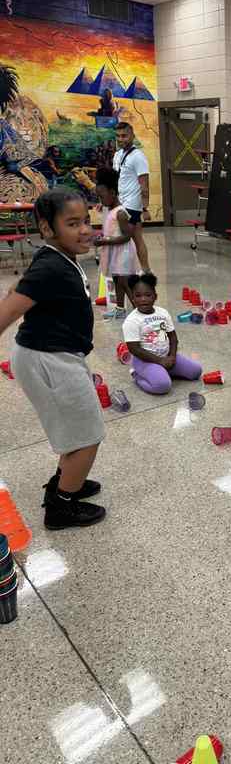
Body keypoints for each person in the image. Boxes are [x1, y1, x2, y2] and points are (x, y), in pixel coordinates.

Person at [0, 188, 106, 529]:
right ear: (47, 229)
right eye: (73, 223)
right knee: (88, 435)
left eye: (86, 221)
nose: (85, 230)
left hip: (56, 356)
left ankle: (66, 479)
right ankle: (61, 506)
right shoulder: (51, 266)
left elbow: (21, 287)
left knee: (73, 429)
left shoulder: (57, 258)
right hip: (49, 360)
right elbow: (8, 310)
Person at [123, 273, 202, 395]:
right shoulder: (131, 320)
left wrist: (172, 357)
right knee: (163, 386)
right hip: (145, 361)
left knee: (196, 371)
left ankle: (163, 371)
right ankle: (138, 376)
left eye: (148, 295)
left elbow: (173, 338)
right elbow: (134, 349)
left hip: (166, 357)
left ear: (155, 296)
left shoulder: (163, 313)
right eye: (138, 296)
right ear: (132, 298)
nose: (143, 299)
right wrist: (160, 361)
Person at [93, 167, 139, 320]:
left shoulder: (120, 212)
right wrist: (104, 237)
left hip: (123, 252)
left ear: (112, 193)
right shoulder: (111, 210)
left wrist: (106, 240)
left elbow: (127, 236)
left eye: (102, 196)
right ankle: (120, 308)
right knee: (117, 279)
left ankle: (139, 309)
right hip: (115, 251)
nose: (101, 201)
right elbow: (112, 231)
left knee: (124, 281)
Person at [113, 122, 151, 273]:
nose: (121, 139)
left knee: (124, 240)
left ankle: (131, 272)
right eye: (118, 136)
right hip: (121, 203)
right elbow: (117, 180)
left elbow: (144, 185)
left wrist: (145, 208)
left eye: (124, 135)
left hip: (132, 206)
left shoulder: (138, 157)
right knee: (137, 238)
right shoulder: (118, 155)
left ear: (132, 136)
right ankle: (146, 270)